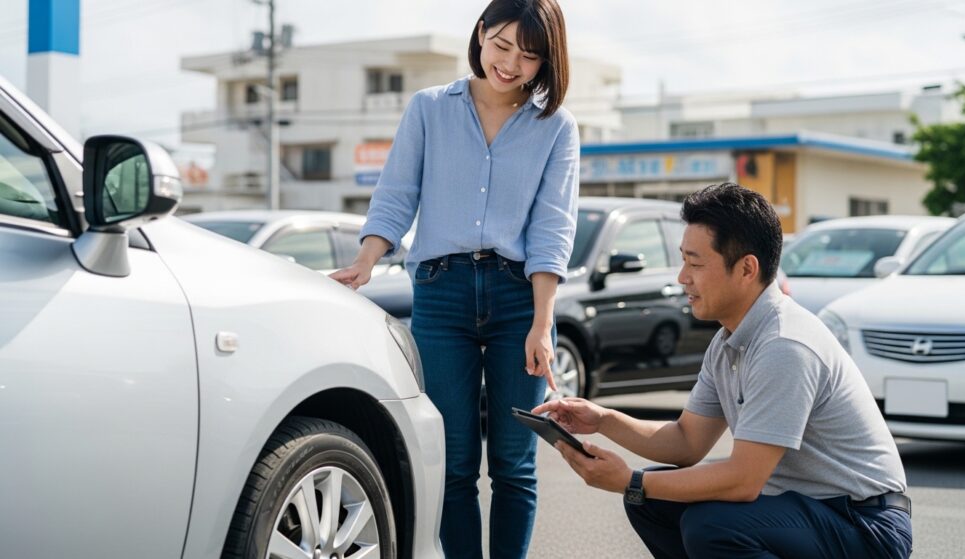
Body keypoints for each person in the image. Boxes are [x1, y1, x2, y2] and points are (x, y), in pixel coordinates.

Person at [534, 183, 913, 559]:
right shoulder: (729, 341)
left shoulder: (784, 344)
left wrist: (631, 480)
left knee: (710, 525)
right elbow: (687, 442)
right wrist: (603, 420)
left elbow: (743, 481)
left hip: (865, 524)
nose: (682, 277)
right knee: (652, 502)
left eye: (695, 263)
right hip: (807, 510)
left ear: (747, 268)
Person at [329, 1, 578, 557]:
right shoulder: (429, 108)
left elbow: (553, 227)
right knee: (454, 462)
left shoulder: (556, 127)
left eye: (529, 56)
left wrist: (542, 323)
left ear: (547, 61)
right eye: (502, 46)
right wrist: (366, 261)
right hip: (441, 295)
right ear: (481, 33)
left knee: (514, 464)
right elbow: (397, 193)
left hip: (519, 299)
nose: (510, 64)